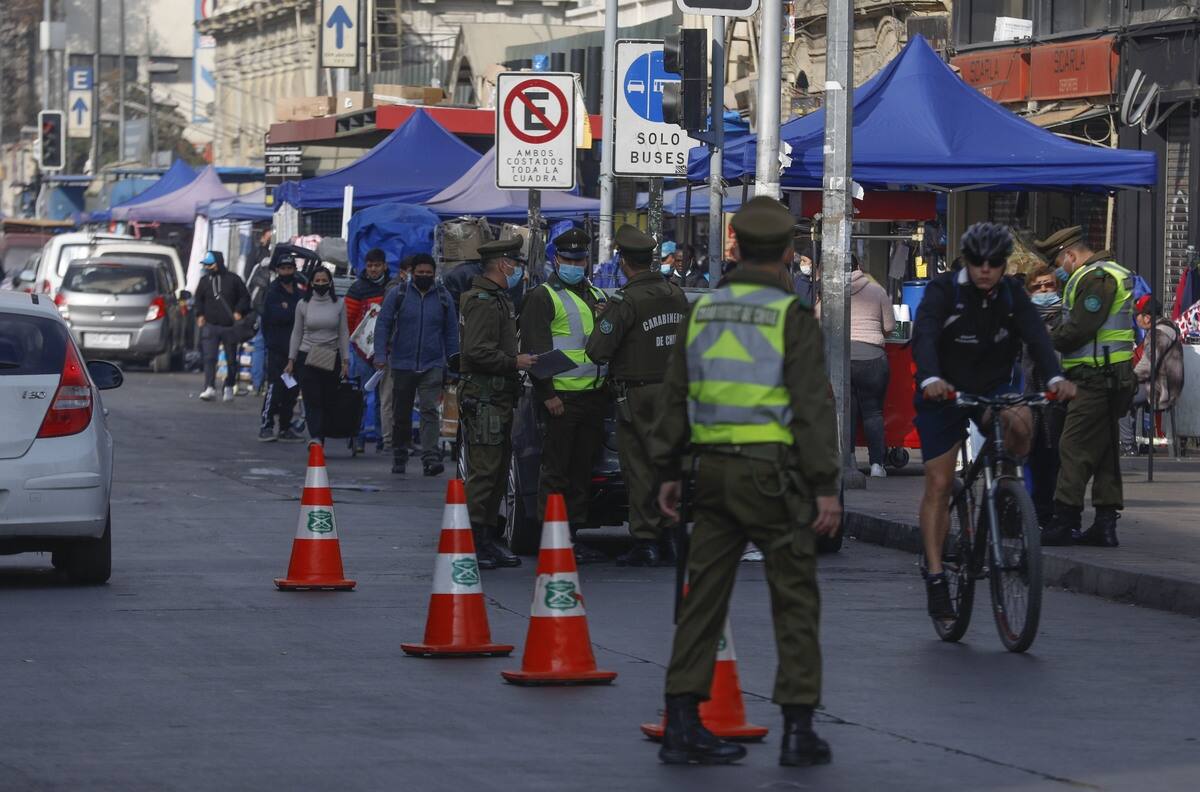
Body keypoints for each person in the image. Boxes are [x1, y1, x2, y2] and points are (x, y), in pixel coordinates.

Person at [650, 196, 842, 767]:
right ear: (787, 252)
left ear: (737, 247)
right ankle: (798, 729)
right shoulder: (789, 317)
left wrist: (667, 469)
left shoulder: (703, 311)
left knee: (702, 598)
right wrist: (826, 486)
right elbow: (811, 408)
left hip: (708, 473)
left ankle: (682, 721)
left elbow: (675, 394)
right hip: (772, 477)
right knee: (795, 598)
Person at [913, 223, 1072, 618]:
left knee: (1022, 423)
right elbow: (926, 335)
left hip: (993, 388)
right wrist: (930, 377)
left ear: (1004, 264)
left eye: (995, 262)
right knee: (940, 481)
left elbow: (1037, 337)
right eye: (978, 262)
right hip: (944, 391)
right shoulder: (944, 291)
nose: (986, 269)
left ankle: (1005, 493)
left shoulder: (1013, 294)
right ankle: (935, 577)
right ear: (967, 261)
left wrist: (1055, 377)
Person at [584, 225, 687, 567]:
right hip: (674, 394)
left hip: (639, 395)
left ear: (625, 262)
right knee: (668, 465)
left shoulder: (626, 300)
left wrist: (604, 322)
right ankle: (671, 535)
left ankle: (646, 541)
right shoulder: (675, 293)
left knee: (639, 468)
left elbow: (597, 350)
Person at [1035, 226, 1137, 547]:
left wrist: (1045, 339)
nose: (1058, 271)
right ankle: (1105, 524)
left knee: (1073, 446)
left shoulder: (1097, 278)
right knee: (1105, 450)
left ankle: (1065, 519)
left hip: (1096, 378)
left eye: (1058, 264)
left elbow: (1080, 328)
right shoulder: (1107, 273)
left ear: (1070, 255)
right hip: (1108, 375)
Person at [519, 227, 609, 563]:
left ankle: (572, 537)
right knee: (556, 471)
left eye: (580, 259)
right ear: (557, 260)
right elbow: (535, 351)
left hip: (592, 397)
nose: (575, 264)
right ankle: (551, 538)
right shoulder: (542, 296)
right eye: (569, 259)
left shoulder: (597, 295)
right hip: (561, 400)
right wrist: (548, 394)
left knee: (581, 472)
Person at [458, 238, 538, 569]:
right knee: (485, 471)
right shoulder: (482, 301)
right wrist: (513, 361)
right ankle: (474, 540)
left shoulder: (497, 299)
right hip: (485, 396)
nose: (518, 269)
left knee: (498, 470)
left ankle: (488, 537)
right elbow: (476, 351)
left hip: (498, 396)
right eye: (515, 264)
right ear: (503, 265)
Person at [373, 254, 459, 476]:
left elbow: (451, 332)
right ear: (412, 273)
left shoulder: (443, 297)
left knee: (430, 410)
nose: (424, 276)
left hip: (433, 364)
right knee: (401, 413)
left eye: (428, 273)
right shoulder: (398, 294)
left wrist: (453, 362)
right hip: (402, 363)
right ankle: (400, 454)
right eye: (419, 273)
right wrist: (380, 355)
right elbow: (382, 324)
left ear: (434, 274)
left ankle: (430, 458)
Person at [285, 267, 350, 447]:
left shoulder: (339, 304)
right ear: (311, 283)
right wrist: (291, 359)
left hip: (331, 355)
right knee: (311, 398)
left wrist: (346, 360)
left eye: (324, 280)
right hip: (307, 356)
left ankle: (321, 432)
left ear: (330, 283)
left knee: (327, 398)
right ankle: (316, 437)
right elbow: (296, 333)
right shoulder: (302, 304)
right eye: (317, 280)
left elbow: (344, 332)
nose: (321, 284)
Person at [848, 255, 895, 478]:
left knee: (847, 412)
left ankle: (848, 461)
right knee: (873, 412)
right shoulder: (877, 290)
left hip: (843, 359)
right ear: (860, 267)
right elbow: (889, 326)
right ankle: (877, 464)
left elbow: (818, 320)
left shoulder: (831, 291)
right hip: (873, 359)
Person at [1120, 296, 1184, 452]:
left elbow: (1147, 365)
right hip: (1163, 384)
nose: (1136, 319)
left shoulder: (1159, 333)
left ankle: (1127, 444)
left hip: (1162, 389)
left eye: (1138, 315)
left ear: (1147, 318)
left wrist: (1129, 379)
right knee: (1128, 393)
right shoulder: (1164, 328)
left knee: (1120, 396)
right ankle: (1137, 443)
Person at [345, 248, 391, 454]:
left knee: (385, 398)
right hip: (361, 351)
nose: (373, 269)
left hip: (386, 351)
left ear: (384, 266)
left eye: (377, 265)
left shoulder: (392, 288)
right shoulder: (357, 289)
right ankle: (359, 437)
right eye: (370, 266)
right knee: (361, 396)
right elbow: (348, 319)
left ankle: (384, 438)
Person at [193, 251, 251, 403]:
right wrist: (200, 314)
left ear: (218, 263)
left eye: (210, 264)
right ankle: (209, 387)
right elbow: (198, 299)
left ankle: (229, 386)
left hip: (229, 327)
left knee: (231, 359)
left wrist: (239, 311)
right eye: (205, 264)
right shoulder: (204, 281)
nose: (207, 267)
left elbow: (245, 297)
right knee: (209, 358)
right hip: (210, 326)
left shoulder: (233, 279)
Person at [258, 252, 304, 442]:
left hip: (296, 351)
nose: (287, 271)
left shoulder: (300, 293)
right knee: (275, 387)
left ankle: (285, 427)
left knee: (292, 389)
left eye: (290, 268)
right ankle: (266, 425)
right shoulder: (273, 293)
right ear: (277, 270)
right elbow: (273, 319)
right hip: (278, 350)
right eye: (283, 268)